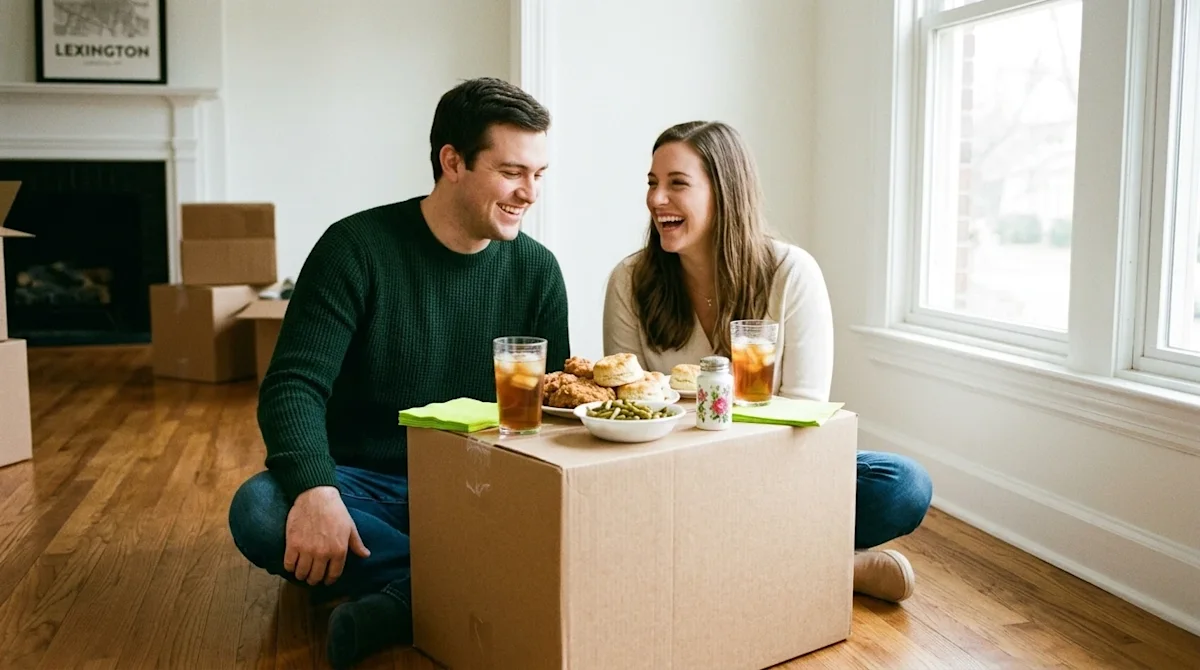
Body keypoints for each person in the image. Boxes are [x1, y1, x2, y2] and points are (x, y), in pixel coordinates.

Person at [227, 77, 570, 669]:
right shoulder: (355, 248)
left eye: (540, 174)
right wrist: (315, 490)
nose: (530, 193)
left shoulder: (538, 271)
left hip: (482, 486)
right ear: (452, 161)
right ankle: (470, 586)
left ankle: (402, 597)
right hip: (366, 482)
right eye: (513, 171)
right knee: (259, 509)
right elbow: (292, 387)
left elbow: (554, 406)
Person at [602, 120, 932, 604]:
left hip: (772, 467)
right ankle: (828, 565)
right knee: (614, 499)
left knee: (902, 484)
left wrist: (740, 469)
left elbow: (804, 410)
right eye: (652, 183)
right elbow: (623, 405)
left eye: (677, 184)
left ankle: (731, 555)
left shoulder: (790, 272)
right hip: (673, 472)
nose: (656, 199)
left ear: (725, 192)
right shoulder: (630, 280)